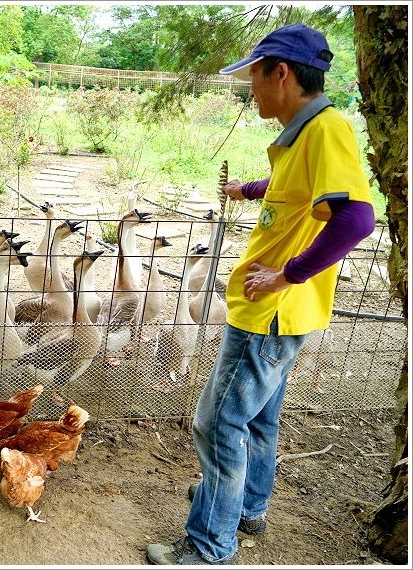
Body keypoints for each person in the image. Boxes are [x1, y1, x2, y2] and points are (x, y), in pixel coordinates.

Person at [147, 23, 376, 565]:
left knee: (218, 421)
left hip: (269, 311)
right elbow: (295, 194)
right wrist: (244, 189)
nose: (250, 89)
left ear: (281, 73)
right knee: (258, 417)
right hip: (281, 312)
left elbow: (358, 218)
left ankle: (208, 544)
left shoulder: (326, 128)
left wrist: (288, 273)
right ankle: (247, 506)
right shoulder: (305, 132)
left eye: (254, 76)